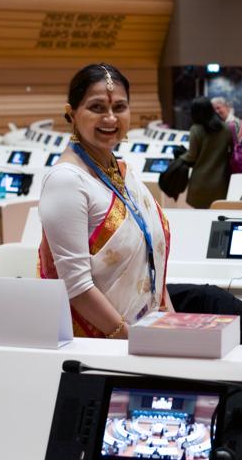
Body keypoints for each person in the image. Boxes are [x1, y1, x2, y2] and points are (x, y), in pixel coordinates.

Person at [38, 63, 172, 338]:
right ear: (72, 113)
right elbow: (76, 287)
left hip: (147, 332)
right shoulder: (66, 181)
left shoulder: (124, 172)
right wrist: (129, 339)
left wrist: (172, 324)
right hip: (101, 344)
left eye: (119, 107)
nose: (110, 118)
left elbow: (151, 262)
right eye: (97, 107)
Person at [181, 96, 232, 209]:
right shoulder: (226, 128)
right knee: (218, 213)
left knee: (201, 216)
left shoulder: (196, 129)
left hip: (200, 183)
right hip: (222, 182)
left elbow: (191, 156)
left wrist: (179, 158)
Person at [212, 96, 242, 174]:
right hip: (234, 164)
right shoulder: (225, 123)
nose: (216, 111)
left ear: (226, 107)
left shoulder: (234, 123)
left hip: (234, 165)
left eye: (218, 108)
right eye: (214, 109)